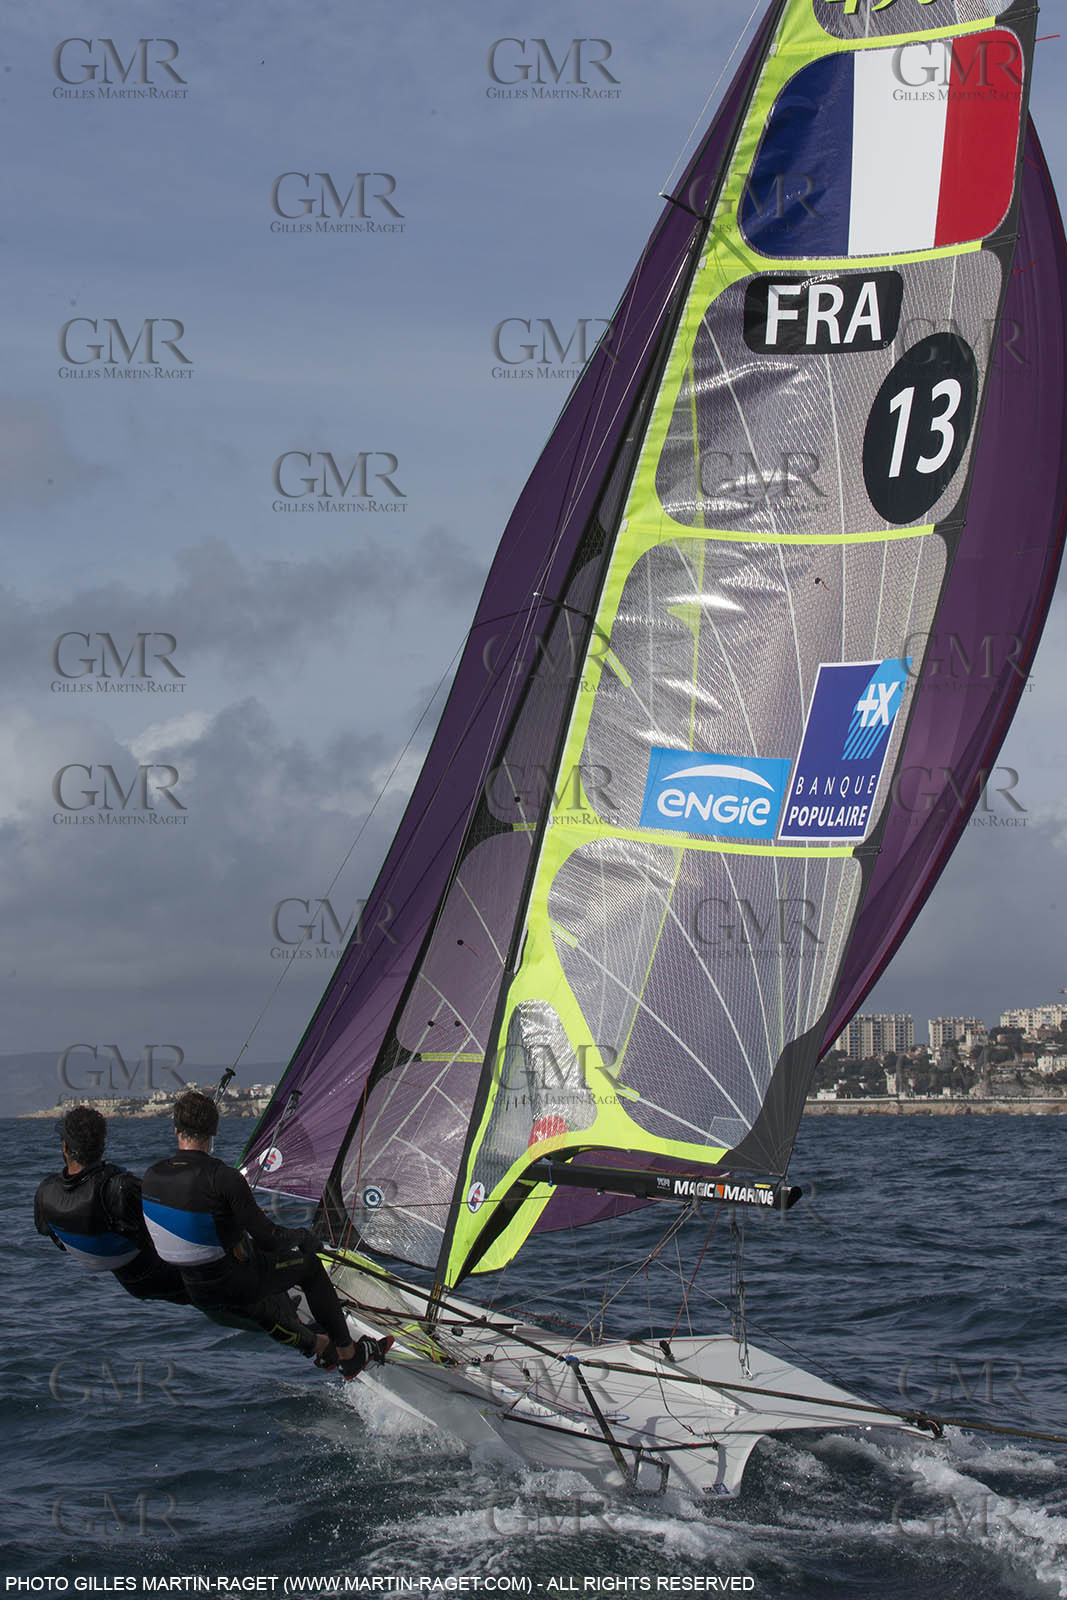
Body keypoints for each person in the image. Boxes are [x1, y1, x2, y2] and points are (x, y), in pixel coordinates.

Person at [141, 1089, 390, 1378]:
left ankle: (320, 1342)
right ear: (214, 1131)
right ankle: (350, 1354)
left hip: (193, 1289)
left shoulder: (152, 1175)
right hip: (234, 1286)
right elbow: (269, 1239)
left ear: (175, 1130)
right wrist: (302, 1238)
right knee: (308, 1265)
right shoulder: (223, 1178)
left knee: (248, 1253)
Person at [35, 1105, 190, 1305]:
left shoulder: (45, 1193)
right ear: (102, 1146)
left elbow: (51, 1234)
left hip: (128, 1280)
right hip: (163, 1275)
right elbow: (170, 1224)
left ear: (65, 1147)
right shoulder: (119, 1188)